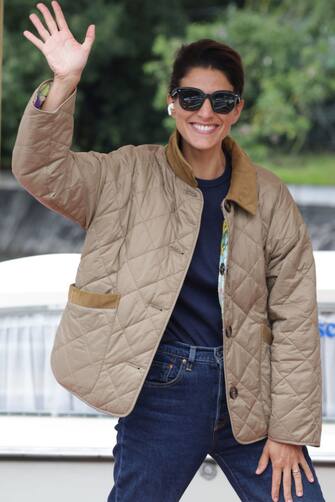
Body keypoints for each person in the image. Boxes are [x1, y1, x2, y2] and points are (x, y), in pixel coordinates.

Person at [12, 2, 325, 501]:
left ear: (237, 110)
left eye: (222, 101)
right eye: (192, 97)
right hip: (161, 389)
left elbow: (293, 316)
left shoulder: (270, 197)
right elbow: (41, 171)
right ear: (172, 101)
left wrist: (289, 431)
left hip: (252, 394)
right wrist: (64, 83)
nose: (206, 112)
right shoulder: (125, 174)